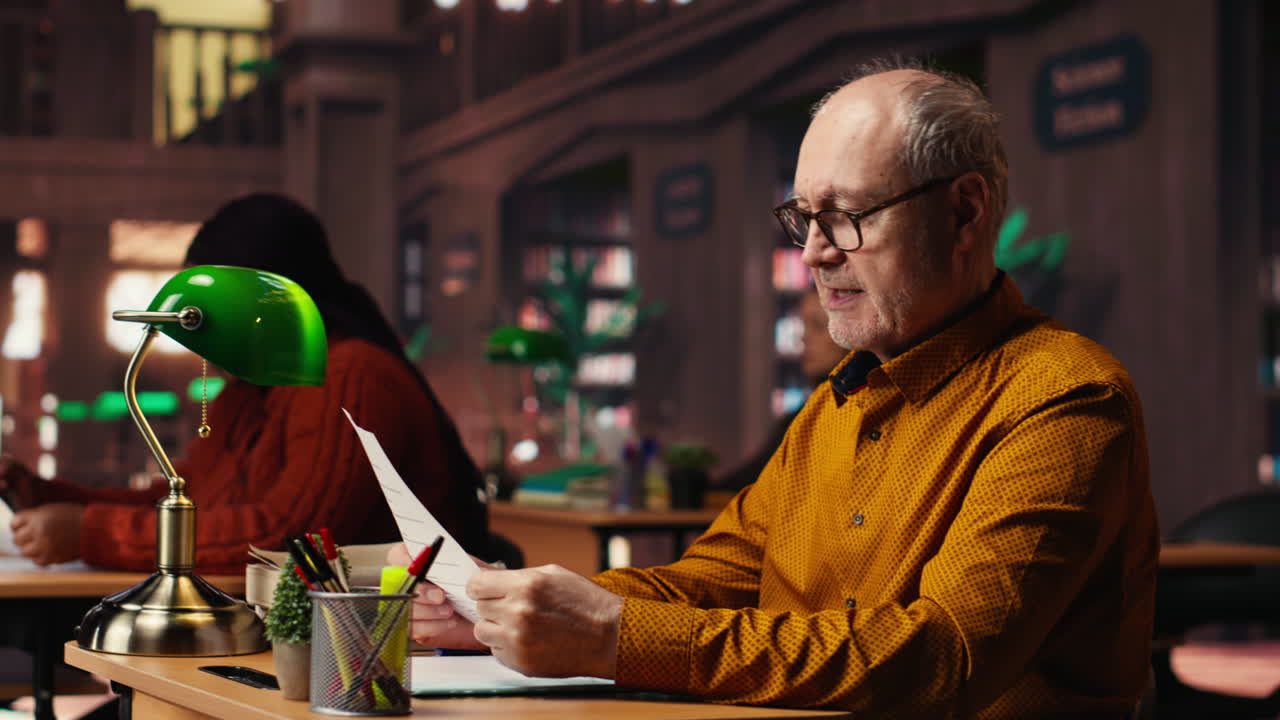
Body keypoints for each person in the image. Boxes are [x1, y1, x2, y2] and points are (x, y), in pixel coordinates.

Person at [398, 60, 1160, 716]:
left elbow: (943, 658)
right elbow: (708, 583)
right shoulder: (835, 403)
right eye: (805, 218)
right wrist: (524, 609)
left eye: (848, 216)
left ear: (963, 212)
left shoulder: (1066, 397)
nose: (816, 254)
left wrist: (609, 635)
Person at [0, 193, 491, 574]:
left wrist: (92, 533)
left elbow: (290, 539)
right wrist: (46, 496)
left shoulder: (349, 373)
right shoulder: (256, 387)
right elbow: (189, 502)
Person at [716, 289, 847, 490]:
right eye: (802, 325)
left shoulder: (841, 416)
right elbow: (754, 479)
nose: (804, 338)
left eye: (818, 326)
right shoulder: (804, 416)